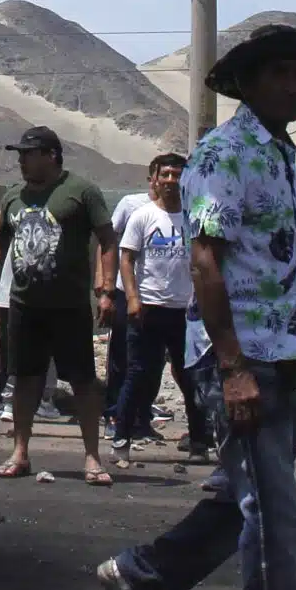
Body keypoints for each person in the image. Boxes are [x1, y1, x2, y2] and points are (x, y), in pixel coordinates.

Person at [96, 24, 296, 590]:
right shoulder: (224, 154)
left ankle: (145, 572)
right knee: (274, 513)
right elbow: (206, 260)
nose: (293, 86)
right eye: (278, 74)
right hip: (239, 357)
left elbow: (275, 256)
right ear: (247, 82)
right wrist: (233, 366)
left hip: (279, 353)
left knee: (244, 495)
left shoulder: (283, 159)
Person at [0, 126, 113, 483]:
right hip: (23, 304)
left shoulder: (80, 192)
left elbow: (107, 240)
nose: (20, 160)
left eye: (28, 154)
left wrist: (106, 289)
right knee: (25, 379)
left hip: (69, 305)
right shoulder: (13, 197)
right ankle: (20, 452)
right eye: (19, 154)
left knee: (81, 379)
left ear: (51, 155)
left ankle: (93, 458)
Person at [115, 151, 209, 462]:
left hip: (185, 311)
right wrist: (131, 298)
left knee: (191, 376)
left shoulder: (196, 217)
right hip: (148, 308)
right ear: (155, 179)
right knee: (138, 374)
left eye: (177, 174)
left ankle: (199, 442)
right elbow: (126, 258)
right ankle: (121, 440)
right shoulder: (143, 216)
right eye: (165, 175)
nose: (171, 180)